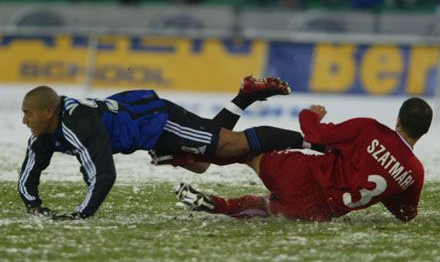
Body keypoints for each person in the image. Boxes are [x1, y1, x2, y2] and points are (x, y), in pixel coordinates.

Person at [19, 76, 324, 220]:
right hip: (146, 129)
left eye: (28, 113)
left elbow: (102, 174)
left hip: (157, 121)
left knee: (232, 145)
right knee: (205, 160)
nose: (24, 120)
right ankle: (244, 97)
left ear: (48, 111)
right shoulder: (48, 130)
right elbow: (30, 168)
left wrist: (80, 215)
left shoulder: (77, 123)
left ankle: (321, 143)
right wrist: (33, 204)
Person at [175, 97, 432, 222]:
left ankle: (187, 155)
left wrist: (309, 114)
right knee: (267, 209)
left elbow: (315, 134)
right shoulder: (415, 174)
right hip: (319, 211)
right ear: (424, 131)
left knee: (248, 150)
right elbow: (406, 214)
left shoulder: (371, 130)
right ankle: (220, 206)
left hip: (302, 174)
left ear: (398, 120)